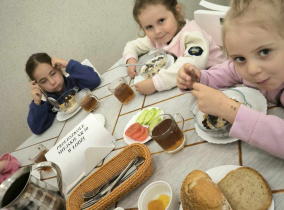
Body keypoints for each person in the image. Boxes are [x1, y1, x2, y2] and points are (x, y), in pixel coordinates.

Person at [177, 0, 284, 159]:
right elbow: (218, 75)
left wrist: (229, 110)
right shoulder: (240, 67)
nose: (252, 69)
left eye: (264, 52)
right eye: (240, 58)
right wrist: (195, 78)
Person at [122, 0, 225, 95]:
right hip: (192, 86)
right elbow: (132, 45)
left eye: (161, 20)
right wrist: (131, 61)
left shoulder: (192, 34)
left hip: (222, 82)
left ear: (177, 12)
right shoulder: (157, 38)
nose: (157, 31)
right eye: (149, 27)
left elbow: (192, 64)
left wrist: (155, 83)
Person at [26, 53, 101, 134]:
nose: (52, 82)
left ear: (59, 69)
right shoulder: (50, 105)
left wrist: (68, 65)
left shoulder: (77, 81)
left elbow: (95, 81)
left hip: (97, 118)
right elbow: (37, 129)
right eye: (44, 81)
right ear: (38, 86)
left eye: (53, 74)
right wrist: (37, 102)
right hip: (75, 133)